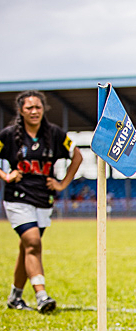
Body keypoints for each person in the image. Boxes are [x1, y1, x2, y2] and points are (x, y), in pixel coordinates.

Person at [0, 90, 83, 313]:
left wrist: (62, 184)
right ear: (21, 111)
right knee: (34, 243)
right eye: (29, 108)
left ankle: (15, 297)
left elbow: (77, 156)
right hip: (17, 198)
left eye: (38, 107)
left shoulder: (55, 134)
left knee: (27, 248)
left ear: (43, 109)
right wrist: (6, 175)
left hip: (44, 199)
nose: (34, 111)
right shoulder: (8, 135)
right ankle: (41, 296)